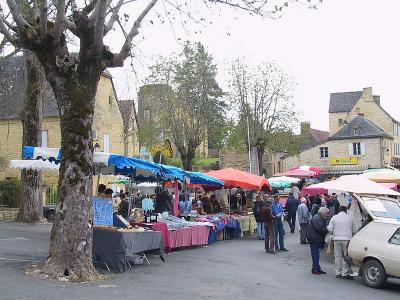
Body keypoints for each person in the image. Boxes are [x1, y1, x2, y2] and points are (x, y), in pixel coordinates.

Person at [327, 206, 355, 280]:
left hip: (336, 239)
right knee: (346, 256)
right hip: (347, 239)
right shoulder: (350, 218)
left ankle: (338, 272)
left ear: (339, 211)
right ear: (345, 211)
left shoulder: (334, 217)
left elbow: (329, 228)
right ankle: (345, 273)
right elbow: (354, 229)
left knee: (337, 256)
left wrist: (332, 233)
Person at [307, 207, 329, 275]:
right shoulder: (317, 218)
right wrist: (327, 229)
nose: (327, 215)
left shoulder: (318, 217)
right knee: (315, 254)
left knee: (316, 254)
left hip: (314, 238)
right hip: (314, 238)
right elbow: (320, 229)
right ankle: (315, 269)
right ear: (322, 212)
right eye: (326, 213)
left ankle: (317, 268)